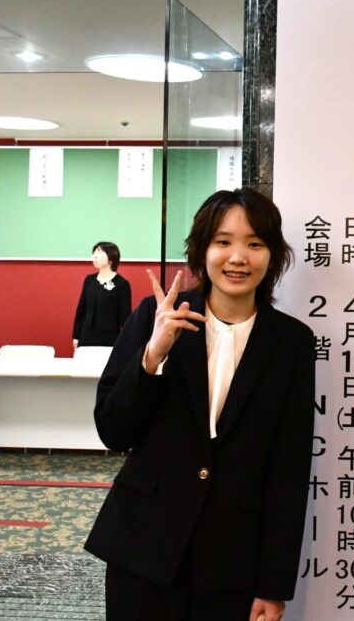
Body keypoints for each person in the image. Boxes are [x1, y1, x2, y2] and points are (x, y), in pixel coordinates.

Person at [85, 189, 315, 621]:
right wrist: (153, 355)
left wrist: (274, 584)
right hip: (144, 548)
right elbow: (113, 431)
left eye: (255, 243)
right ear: (202, 250)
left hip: (232, 561)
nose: (238, 257)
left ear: (272, 255)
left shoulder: (292, 342)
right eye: (223, 241)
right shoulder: (158, 315)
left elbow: (290, 468)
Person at [72, 241, 131, 348]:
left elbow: (125, 316)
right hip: (86, 336)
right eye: (94, 253)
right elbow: (81, 310)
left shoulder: (122, 284)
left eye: (99, 253)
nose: (94, 256)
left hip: (109, 338)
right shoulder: (89, 280)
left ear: (111, 256)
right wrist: (76, 337)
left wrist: (126, 341)